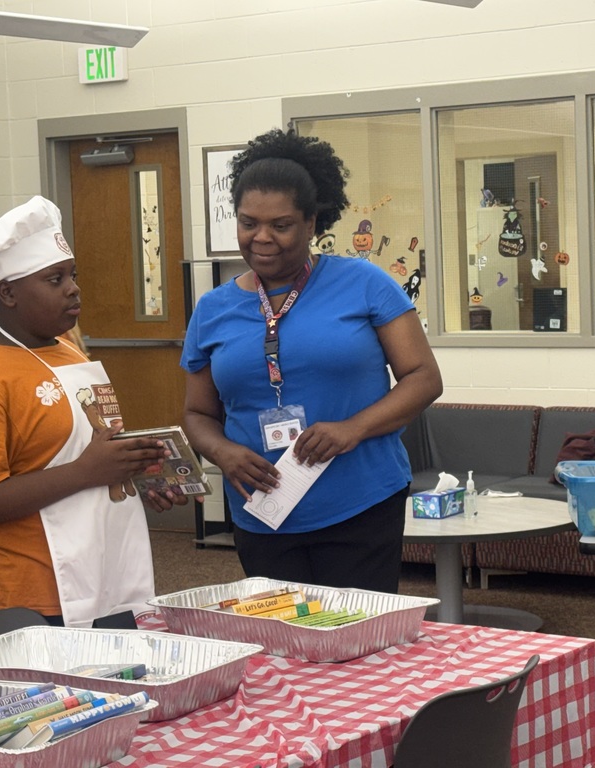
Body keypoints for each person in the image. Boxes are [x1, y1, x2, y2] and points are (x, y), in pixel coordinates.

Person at [181, 129, 443, 593]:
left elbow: (423, 378)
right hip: (262, 509)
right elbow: (198, 413)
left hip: (360, 502)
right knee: (285, 647)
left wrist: (352, 428)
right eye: (248, 223)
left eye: (280, 225)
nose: (261, 238)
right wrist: (221, 453)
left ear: (312, 223)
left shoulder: (363, 283)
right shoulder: (212, 309)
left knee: (357, 641)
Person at [0, 195, 183, 627]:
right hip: (32, 597)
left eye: (72, 274)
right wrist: (87, 472)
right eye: (54, 279)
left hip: (107, 575)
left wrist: (135, 471)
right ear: (7, 293)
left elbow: (77, 451)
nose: (73, 288)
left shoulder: (67, 350)